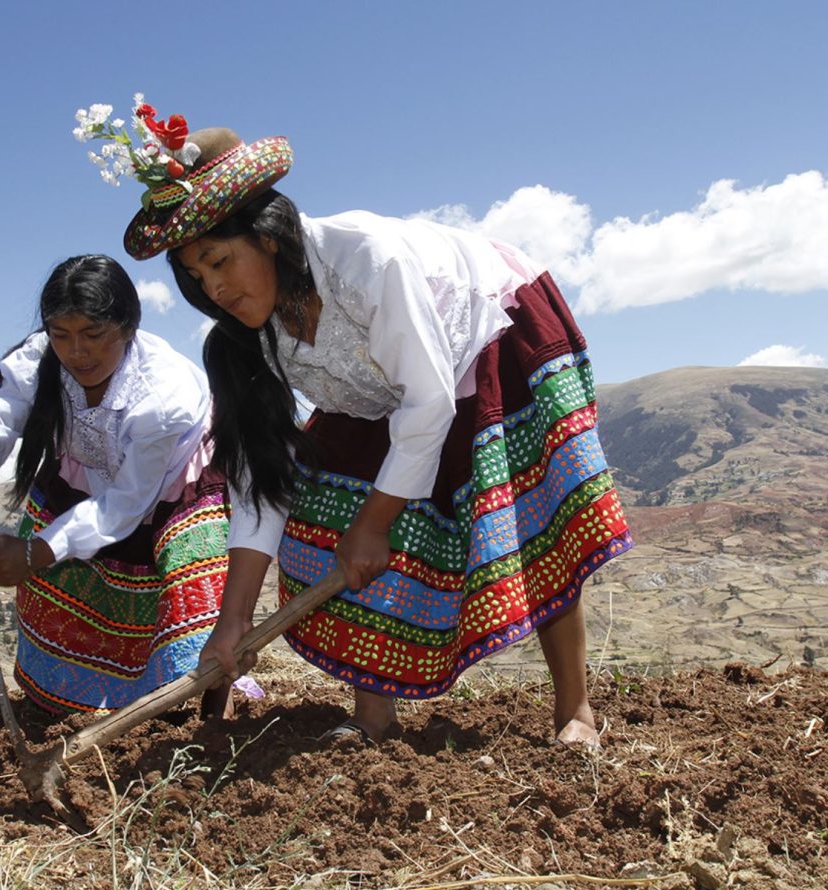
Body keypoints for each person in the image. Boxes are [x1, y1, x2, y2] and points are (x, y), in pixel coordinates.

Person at [108, 115, 633, 748]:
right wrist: (234, 620)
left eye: (220, 261)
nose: (213, 287)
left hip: (491, 332)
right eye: (195, 276)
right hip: (381, 394)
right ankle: (374, 718)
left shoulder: (365, 261)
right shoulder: (245, 342)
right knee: (324, 521)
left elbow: (428, 402)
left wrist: (376, 524)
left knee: (535, 517)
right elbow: (263, 482)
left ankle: (574, 710)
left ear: (268, 237)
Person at [0, 255, 231, 715]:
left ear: (128, 327)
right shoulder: (37, 361)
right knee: (61, 598)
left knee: (195, 591)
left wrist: (33, 554)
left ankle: (213, 721)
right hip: (83, 479)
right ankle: (72, 710)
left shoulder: (163, 396)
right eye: (62, 335)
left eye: (93, 334)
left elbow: (124, 504)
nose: (77, 352)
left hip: (174, 484)